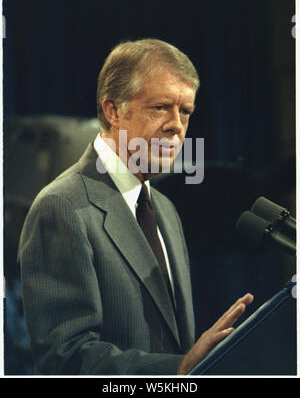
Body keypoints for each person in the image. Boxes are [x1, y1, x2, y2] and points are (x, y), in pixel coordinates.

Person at [17, 39, 253, 375]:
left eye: (185, 111)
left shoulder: (166, 210)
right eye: (160, 108)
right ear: (114, 111)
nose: (177, 125)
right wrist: (177, 368)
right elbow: (64, 358)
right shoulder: (63, 206)